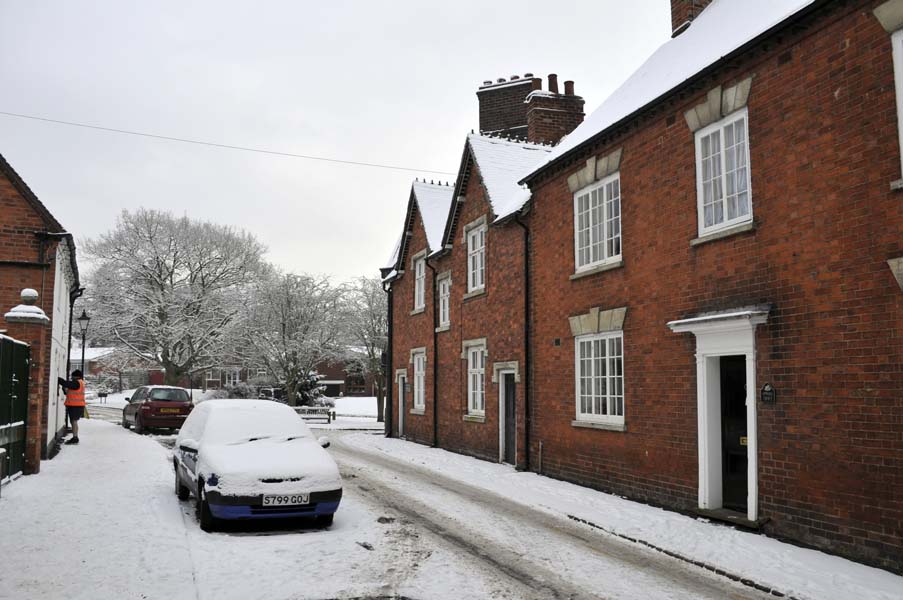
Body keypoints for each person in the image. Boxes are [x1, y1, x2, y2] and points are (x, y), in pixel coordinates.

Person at [58, 370, 86, 445]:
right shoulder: (80, 383)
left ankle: (75, 438)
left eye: (72, 376)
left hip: (76, 405)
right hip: (76, 405)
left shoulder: (77, 382)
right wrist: (65, 389)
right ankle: (75, 437)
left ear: (76, 376)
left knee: (74, 421)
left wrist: (58, 379)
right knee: (73, 421)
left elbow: (66, 383)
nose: (71, 377)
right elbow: (70, 392)